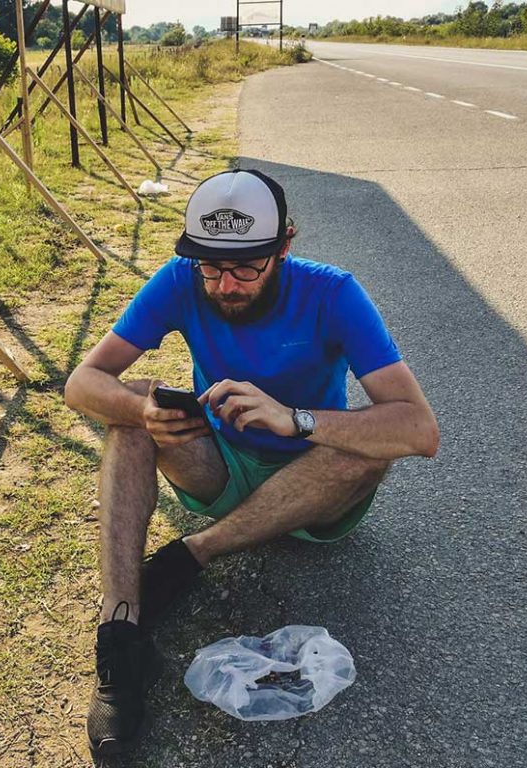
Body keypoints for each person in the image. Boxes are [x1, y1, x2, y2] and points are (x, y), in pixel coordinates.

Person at [63, 169, 440, 758]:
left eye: (246, 268)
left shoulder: (334, 293)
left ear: (284, 246)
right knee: (132, 413)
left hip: (313, 490)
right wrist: (143, 409)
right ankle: (120, 633)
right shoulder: (181, 282)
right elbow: (82, 382)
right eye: (210, 268)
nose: (225, 286)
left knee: (367, 451)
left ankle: (195, 553)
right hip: (221, 470)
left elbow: (420, 428)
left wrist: (298, 419)